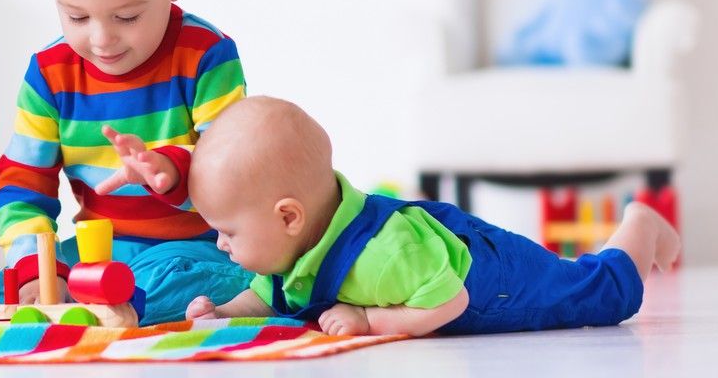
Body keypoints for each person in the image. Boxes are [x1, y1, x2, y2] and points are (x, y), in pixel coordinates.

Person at [138, 96, 680, 335]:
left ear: (289, 218)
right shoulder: (296, 248)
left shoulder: (379, 260)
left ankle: (639, 227)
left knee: (597, 295)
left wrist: (370, 320)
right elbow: (271, 293)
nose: (221, 244)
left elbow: (451, 300)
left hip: (488, 280)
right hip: (436, 252)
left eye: (228, 232)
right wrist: (224, 312)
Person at [0, 0, 253, 324]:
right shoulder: (49, 73)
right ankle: (99, 305)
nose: (101, 38)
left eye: (126, 17)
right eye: (76, 16)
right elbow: (22, 185)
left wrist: (170, 171)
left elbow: (237, 180)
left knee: (188, 276)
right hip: (101, 254)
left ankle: (118, 309)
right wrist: (36, 270)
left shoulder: (206, 56)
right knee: (1, 282)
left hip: (196, 249)